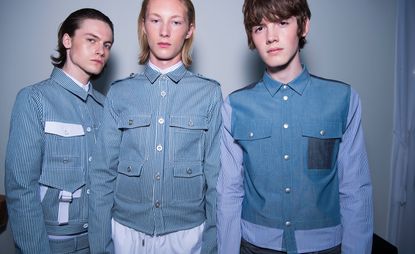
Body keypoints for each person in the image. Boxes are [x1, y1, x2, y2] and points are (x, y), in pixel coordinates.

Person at [217, 0, 373, 253]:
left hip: (326, 247)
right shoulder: (234, 106)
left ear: (303, 26)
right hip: (254, 246)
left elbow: (355, 191)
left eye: (282, 22)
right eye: (259, 28)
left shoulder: (343, 99)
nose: (271, 37)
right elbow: (228, 194)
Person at [88, 0, 222, 253]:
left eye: (176, 21)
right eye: (155, 20)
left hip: (188, 237)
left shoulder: (210, 94)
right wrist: (99, 245)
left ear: (189, 30)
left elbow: (217, 181)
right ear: (143, 26)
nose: (164, 31)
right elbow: (102, 176)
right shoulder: (119, 93)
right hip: (125, 235)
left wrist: (212, 245)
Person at [5, 8, 114, 254]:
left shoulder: (106, 107)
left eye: (107, 45)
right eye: (91, 40)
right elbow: (21, 188)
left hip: (100, 243)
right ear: (67, 40)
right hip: (52, 245)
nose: (101, 50)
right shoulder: (34, 100)